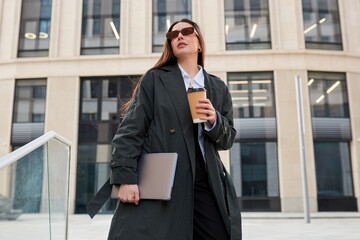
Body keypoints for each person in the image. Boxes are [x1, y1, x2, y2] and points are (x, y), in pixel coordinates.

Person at [107, 18, 242, 240]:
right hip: (166, 176)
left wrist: (214, 120)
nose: (179, 36)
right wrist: (125, 178)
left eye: (187, 31)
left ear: (199, 43)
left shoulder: (217, 87)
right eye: (173, 35)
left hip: (206, 179)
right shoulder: (155, 79)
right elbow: (130, 130)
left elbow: (227, 140)